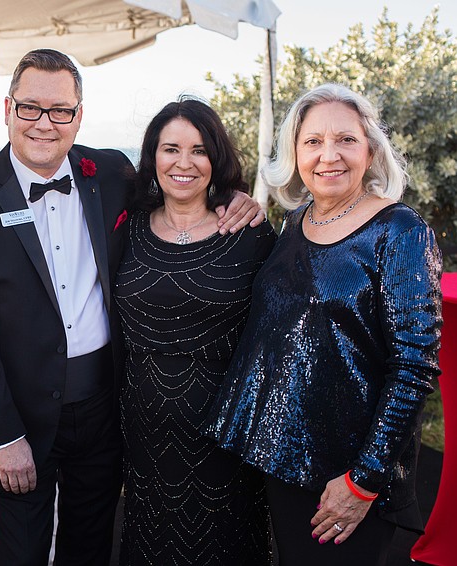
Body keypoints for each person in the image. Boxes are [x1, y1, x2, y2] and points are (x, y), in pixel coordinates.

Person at [0, 48, 264, 565]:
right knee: (19, 552)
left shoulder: (109, 173)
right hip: (19, 416)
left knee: (91, 549)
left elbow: (181, 190)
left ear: (79, 115)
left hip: (107, 411)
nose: (45, 123)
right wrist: (1, 435)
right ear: (7, 109)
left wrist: (233, 199)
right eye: (31, 108)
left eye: (61, 110)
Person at [205, 83, 442, 566]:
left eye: (345, 140)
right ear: (294, 151)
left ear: (370, 149)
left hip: (344, 476)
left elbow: (415, 366)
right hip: (281, 460)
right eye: (312, 141)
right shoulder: (295, 221)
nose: (328, 155)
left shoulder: (400, 231)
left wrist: (365, 479)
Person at [114, 98, 276, 565]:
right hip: (142, 436)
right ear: (152, 157)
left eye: (199, 150)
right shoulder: (126, 229)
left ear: (216, 159)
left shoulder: (250, 235)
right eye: (170, 149)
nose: (184, 163)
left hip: (225, 437)